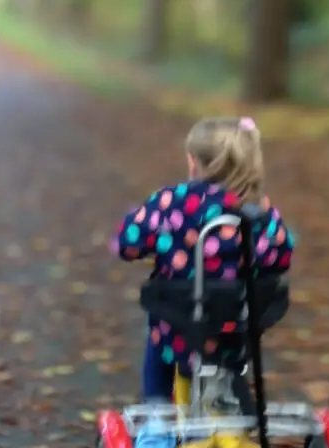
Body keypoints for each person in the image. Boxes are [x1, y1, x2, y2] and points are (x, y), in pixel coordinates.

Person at [110, 116, 294, 402]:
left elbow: (127, 245)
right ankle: (225, 406)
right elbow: (281, 258)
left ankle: (156, 417)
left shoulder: (172, 201)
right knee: (231, 331)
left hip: (179, 329)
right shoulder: (259, 209)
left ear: (193, 162)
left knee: (159, 331)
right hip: (235, 330)